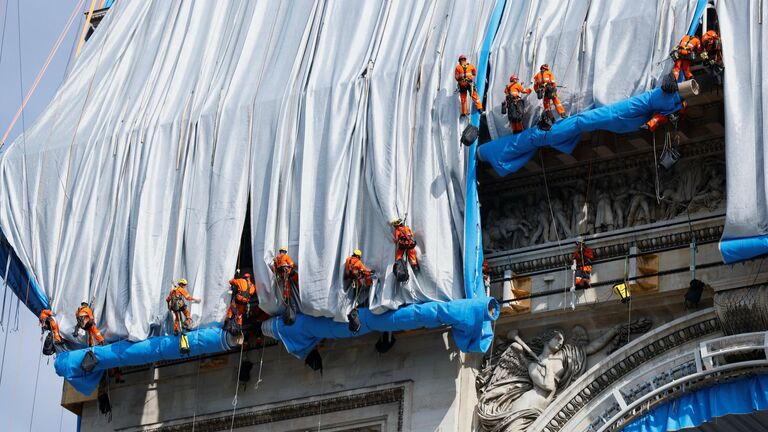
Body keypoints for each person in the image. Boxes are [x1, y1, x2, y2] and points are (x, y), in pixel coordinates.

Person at [344, 249, 374, 332]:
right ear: (358, 256)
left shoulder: (348, 260)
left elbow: (348, 271)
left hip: (352, 280)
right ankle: (357, 307)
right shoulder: (358, 262)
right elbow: (364, 269)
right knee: (360, 294)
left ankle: (355, 306)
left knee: (355, 295)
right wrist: (371, 271)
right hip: (358, 281)